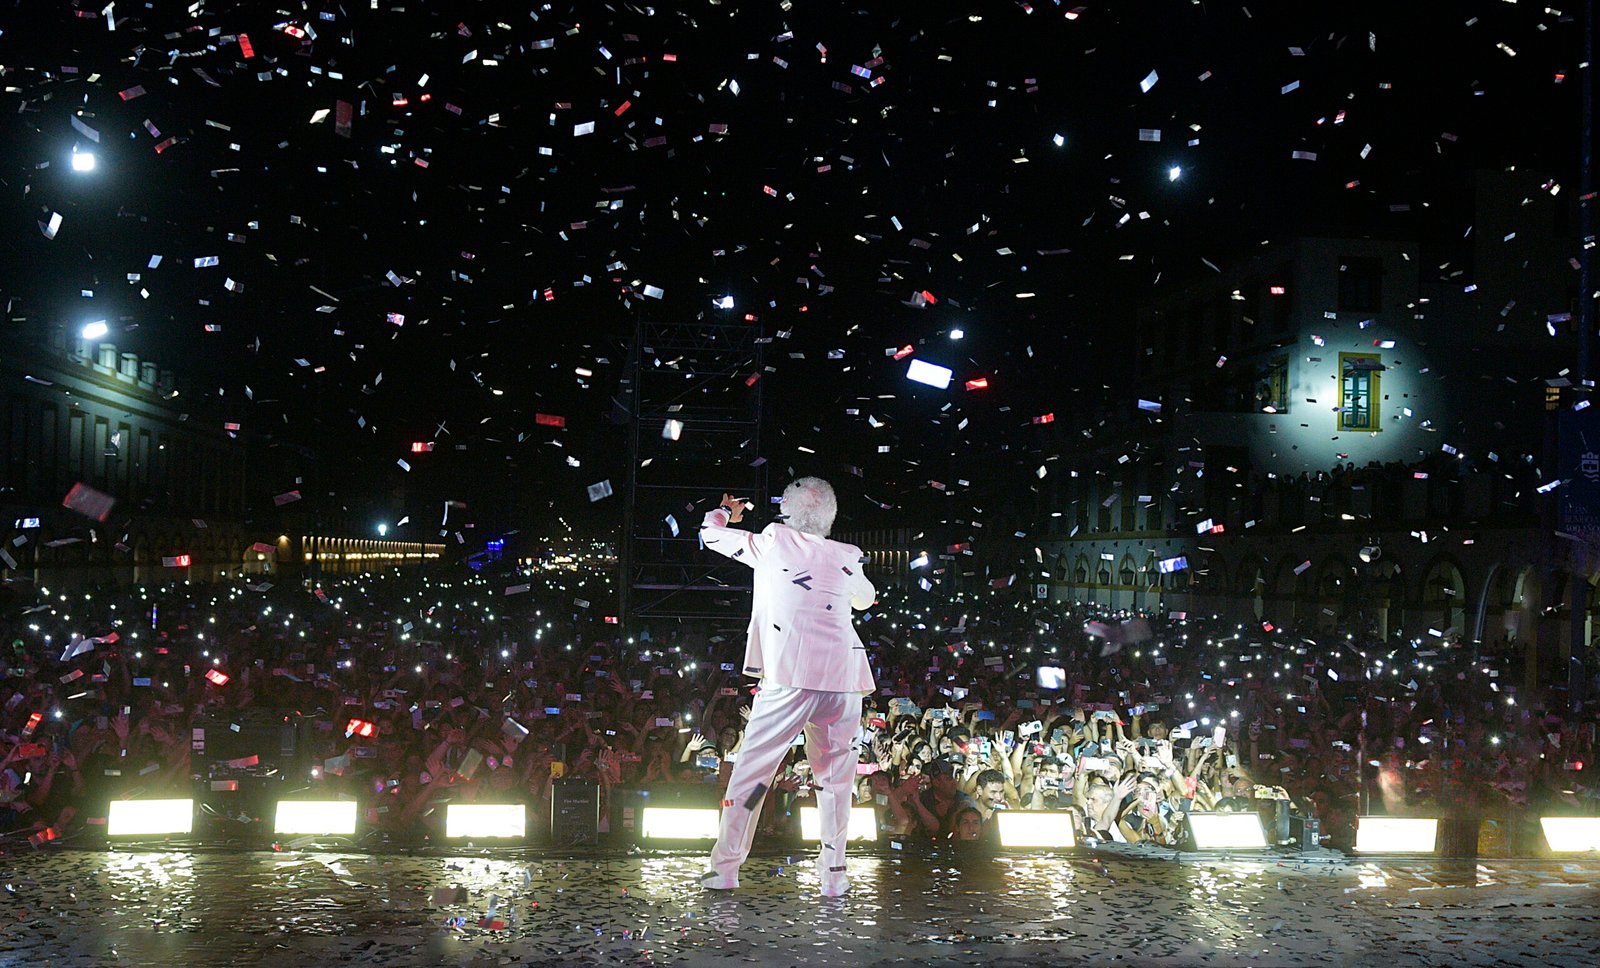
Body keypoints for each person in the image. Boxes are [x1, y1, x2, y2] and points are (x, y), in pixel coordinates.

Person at [697, 478, 877, 897]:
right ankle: (834, 877)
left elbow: (710, 535)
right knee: (834, 781)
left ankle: (726, 868)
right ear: (830, 518)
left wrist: (725, 512)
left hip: (790, 679)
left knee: (753, 776)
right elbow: (865, 598)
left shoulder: (774, 540)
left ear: (788, 514)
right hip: (843, 682)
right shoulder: (848, 555)